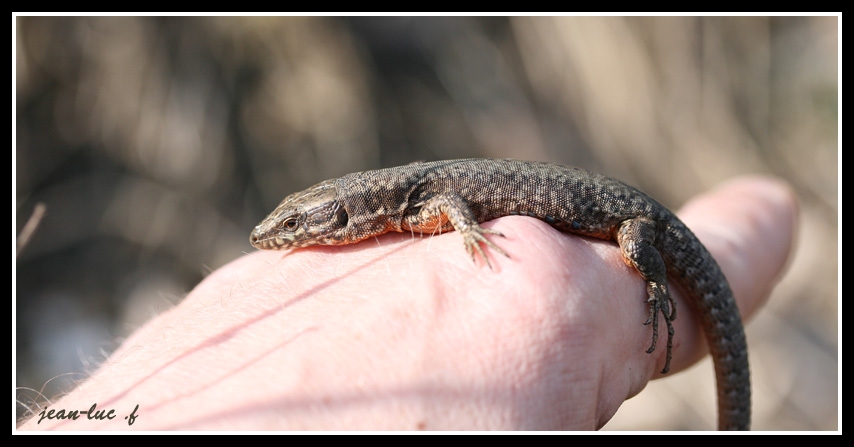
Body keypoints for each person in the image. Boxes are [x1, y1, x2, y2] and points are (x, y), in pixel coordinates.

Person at [19, 177, 797, 431]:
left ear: (343, 215)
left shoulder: (415, 198)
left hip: (643, 224)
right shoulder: (388, 202)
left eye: (296, 225)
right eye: (289, 223)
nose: (282, 234)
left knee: (635, 250)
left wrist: (656, 279)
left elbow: (453, 200)